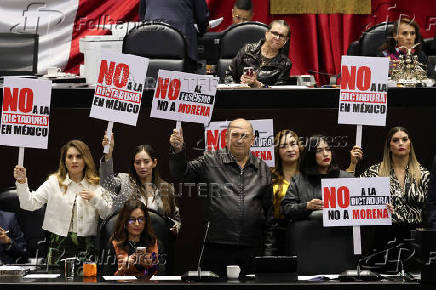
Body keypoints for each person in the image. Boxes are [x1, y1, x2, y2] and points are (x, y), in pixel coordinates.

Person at [169, 118, 274, 277]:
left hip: (252, 248)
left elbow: (269, 216)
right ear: (225, 137)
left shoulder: (263, 168)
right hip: (216, 247)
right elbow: (181, 172)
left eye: (245, 136)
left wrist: (269, 252)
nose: (240, 140)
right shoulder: (209, 161)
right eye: (235, 135)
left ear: (253, 140)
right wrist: (178, 150)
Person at [13, 140, 112, 265]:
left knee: (86, 284)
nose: (74, 161)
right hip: (57, 247)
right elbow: (29, 204)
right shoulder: (54, 182)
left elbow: (108, 214)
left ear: (85, 159)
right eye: (70, 157)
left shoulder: (96, 186)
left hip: (87, 247)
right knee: (56, 284)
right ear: (64, 161)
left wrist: (95, 199)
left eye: (79, 156)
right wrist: (22, 182)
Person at [360, 127, 430, 244]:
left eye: (404, 139)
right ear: (389, 146)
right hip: (383, 234)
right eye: (395, 140)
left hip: (416, 235)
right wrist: (353, 164)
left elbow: (431, 208)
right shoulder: (375, 172)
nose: (401, 143)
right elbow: (352, 196)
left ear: (410, 144)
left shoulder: (423, 174)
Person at [100, 134, 181, 233]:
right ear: (133, 164)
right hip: (126, 242)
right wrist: (108, 154)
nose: (142, 166)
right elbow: (106, 183)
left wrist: (176, 227)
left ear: (154, 163)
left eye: (146, 162)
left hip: (155, 243)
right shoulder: (124, 180)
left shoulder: (167, 188)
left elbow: (176, 219)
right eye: (137, 162)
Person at [281, 135, 353, 221]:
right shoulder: (298, 181)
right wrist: (306, 206)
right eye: (319, 151)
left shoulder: (347, 178)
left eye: (328, 149)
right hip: (310, 232)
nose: (325, 154)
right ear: (311, 155)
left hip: (339, 232)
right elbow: (286, 209)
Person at [139, 0, 209, 70]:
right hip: (183, 45)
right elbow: (202, 19)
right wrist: (202, 31)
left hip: (151, 42)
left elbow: (142, 16)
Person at [225, 20, 292, 87]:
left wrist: (258, 85)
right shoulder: (247, 50)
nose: (277, 38)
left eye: (282, 36)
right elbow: (228, 75)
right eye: (275, 33)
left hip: (265, 97)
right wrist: (238, 89)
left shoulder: (285, 63)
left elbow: (279, 92)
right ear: (266, 33)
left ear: (286, 40)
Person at [105, 200, 158, 277]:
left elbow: (163, 276)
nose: (137, 224)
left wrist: (151, 267)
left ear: (146, 221)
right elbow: (105, 280)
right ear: (124, 222)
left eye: (141, 219)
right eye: (132, 219)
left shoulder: (154, 243)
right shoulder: (114, 244)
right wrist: (121, 269)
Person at [271, 130, 302, 254]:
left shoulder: (310, 176)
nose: (290, 149)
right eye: (283, 146)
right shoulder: (269, 178)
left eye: (293, 144)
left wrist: (352, 165)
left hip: (304, 235)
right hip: (277, 238)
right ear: (277, 152)